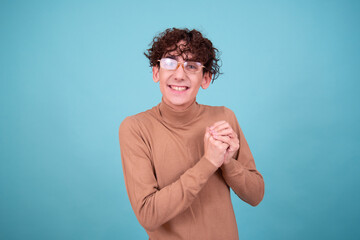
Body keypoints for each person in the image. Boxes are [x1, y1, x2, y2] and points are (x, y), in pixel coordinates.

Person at [119, 28, 264, 240]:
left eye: (191, 66)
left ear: (205, 79)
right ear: (156, 72)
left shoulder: (224, 118)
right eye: (169, 62)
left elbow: (256, 195)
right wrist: (208, 163)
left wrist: (227, 163)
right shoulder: (135, 128)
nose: (179, 74)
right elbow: (148, 214)